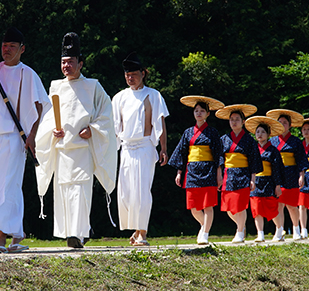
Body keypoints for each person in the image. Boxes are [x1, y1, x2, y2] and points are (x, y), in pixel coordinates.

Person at [35, 33, 117, 248]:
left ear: (80, 63)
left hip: (82, 149)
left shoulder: (93, 87)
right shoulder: (55, 87)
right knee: (63, 189)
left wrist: (93, 129)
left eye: (71, 62)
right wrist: (53, 131)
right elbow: (47, 116)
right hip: (62, 149)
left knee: (80, 191)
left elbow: (106, 114)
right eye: (63, 62)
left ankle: (79, 234)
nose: (66, 66)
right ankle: (70, 232)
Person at [0, 27, 49, 253]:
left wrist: (32, 136)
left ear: (22, 49)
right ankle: (17, 235)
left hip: (14, 138)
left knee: (6, 186)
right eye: (4, 46)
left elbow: (39, 106)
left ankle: (2, 238)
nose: (6, 50)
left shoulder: (29, 74)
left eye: (12, 47)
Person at [111, 52, 169, 246]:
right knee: (127, 192)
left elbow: (160, 123)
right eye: (127, 74)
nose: (130, 77)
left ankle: (143, 232)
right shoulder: (119, 97)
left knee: (143, 191)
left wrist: (163, 149)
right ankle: (136, 230)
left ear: (143, 73)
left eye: (133, 74)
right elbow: (114, 128)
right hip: (126, 149)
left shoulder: (153, 95)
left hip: (145, 147)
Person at [168, 95, 224, 245]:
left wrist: (219, 174)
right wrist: (179, 172)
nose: (198, 113)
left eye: (202, 111)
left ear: (207, 114)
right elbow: (181, 153)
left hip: (208, 170)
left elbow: (218, 154)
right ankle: (204, 226)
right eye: (196, 111)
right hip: (191, 171)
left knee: (208, 205)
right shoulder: (187, 132)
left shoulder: (212, 132)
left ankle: (205, 233)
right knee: (193, 207)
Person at [216, 104, 262, 243]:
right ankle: (240, 226)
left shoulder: (249, 140)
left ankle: (240, 231)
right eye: (231, 119)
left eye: (237, 119)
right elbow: (219, 158)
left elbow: (254, 160)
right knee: (229, 207)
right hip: (228, 175)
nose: (234, 122)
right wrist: (218, 176)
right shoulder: (224, 139)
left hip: (243, 174)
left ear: (243, 122)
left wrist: (253, 179)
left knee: (240, 206)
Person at [266, 109, 309, 241]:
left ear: (290, 125)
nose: (283, 125)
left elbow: (301, 159)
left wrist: (301, 175)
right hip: (276, 175)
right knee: (277, 204)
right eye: (280, 122)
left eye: (285, 122)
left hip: (291, 173)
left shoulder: (295, 141)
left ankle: (296, 229)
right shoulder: (272, 141)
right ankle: (279, 230)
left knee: (291, 204)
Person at [244, 116, 285, 242]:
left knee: (271, 207)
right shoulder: (252, 149)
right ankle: (260, 233)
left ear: (268, 134)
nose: (260, 134)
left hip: (268, 181)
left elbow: (277, 169)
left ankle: (279, 229)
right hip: (255, 181)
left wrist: (278, 185)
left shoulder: (273, 151)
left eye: (262, 132)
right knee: (256, 208)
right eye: (257, 132)